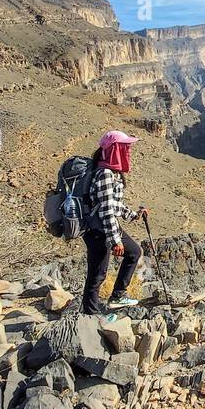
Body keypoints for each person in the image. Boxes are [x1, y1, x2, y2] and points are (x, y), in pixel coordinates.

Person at [81, 130, 148, 315]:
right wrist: (115, 240)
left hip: (105, 227)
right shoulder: (105, 174)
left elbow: (114, 204)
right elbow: (106, 209)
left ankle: (118, 295)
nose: (128, 151)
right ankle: (90, 315)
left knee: (134, 252)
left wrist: (133, 215)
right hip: (97, 230)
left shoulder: (112, 172)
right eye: (125, 147)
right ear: (115, 149)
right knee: (97, 275)